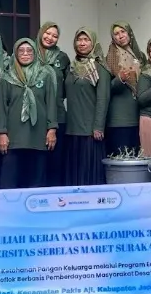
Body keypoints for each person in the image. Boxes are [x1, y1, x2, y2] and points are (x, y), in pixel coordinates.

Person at [0, 38, 58, 189]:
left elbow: (51, 103)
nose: (25, 54)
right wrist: (2, 133)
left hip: (38, 134)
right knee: (10, 179)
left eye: (29, 51)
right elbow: (2, 107)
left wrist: (52, 129)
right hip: (13, 136)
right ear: (15, 54)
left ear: (35, 53)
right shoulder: (7, 77)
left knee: (37, 178)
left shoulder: (45, 75)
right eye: (21, 51)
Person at [65, 28, 110, 185]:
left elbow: (103, 98)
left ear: (93, 42)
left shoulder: (100, 67)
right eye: (79, 39)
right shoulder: (71, 67)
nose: (82, 43)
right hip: (72, 128)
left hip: (90, 131)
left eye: (86, 39)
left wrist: (98, 126)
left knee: (89, 175)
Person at [37, 22, 69, 186]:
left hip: (57, 114)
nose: (50, 38)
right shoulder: (29, 53)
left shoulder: (62, 57)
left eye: (55, 36)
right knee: (37, 162)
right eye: (47, 33)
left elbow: (66, 87)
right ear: (41, 32)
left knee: (56, 161)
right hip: (34, 116)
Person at [105, 22, 144, 155]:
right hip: (119, 118)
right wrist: (119, 79)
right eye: (116, 34)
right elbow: (105, 89)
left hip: (138, 114)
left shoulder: (139, 56)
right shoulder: (110, 58)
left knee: (136, 158)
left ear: (129, 33)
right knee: (121, 158)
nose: (120, 36)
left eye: (123, 32)